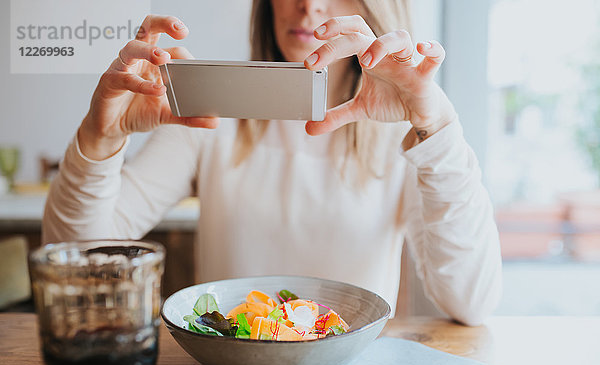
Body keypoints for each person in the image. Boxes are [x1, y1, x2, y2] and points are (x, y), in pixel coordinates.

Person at [43, 0, 502, 326]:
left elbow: (472, 302)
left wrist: (436, 124)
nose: (308, 6)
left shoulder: (408, 135)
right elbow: (79, 261)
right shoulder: (212, 113)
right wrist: (100, 138)